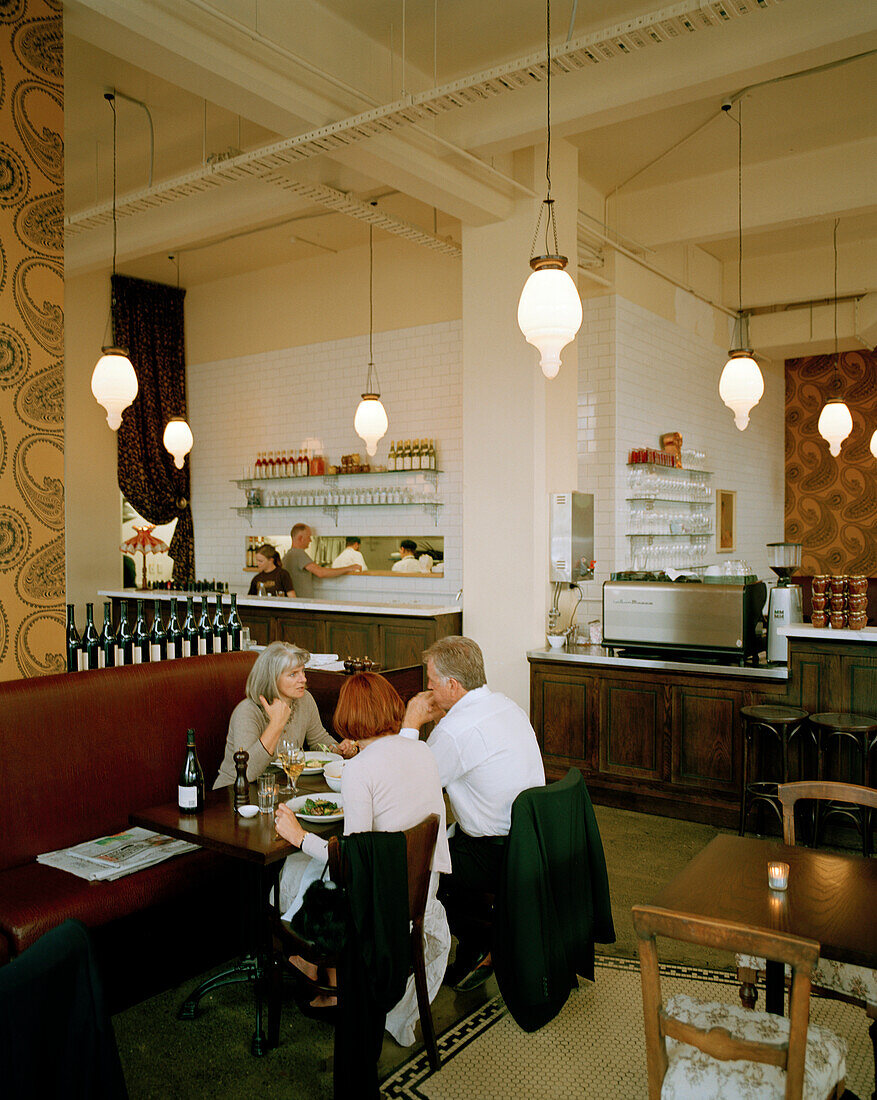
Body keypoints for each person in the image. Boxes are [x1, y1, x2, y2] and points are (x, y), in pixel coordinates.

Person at [275, 672, 451, 1045]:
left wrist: (299, 835)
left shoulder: (360, 768)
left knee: (292, 870)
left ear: (348, 718)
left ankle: (314, 963)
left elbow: (352, 863)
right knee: (309, 871)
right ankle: (324, 972)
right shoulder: (422, 748)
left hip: (384, 902)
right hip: (422, 890)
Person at [399, 635, 545, 989]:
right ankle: (484, 939)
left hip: (493, 854)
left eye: (431, 682)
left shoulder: (455, 730)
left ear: (452, 684)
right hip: (532, 840)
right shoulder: (506, 704)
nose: (427, 688)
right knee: (448, 836)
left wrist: (411, 724)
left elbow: (407, 786)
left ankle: (479, 944)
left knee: (416, 868)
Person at [214, 641, 357, 789]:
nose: (303, 679)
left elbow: (319, 739)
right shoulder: (247, 711)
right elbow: (247, 773)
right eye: (293, 674)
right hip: (234, 793)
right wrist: (276, 724)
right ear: (272, 678)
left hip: (280, 787)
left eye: (303, 671)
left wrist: (338, 750)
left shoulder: (304, 699)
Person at [281, 523, 362, 598]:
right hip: (302, 604)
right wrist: (349, 568)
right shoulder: (298, 553)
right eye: (308, 537)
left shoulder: (287, 555)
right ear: (300, 538)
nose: (310, 540)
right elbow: (321, 573)